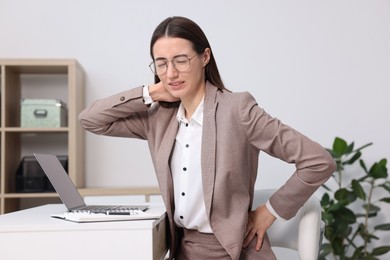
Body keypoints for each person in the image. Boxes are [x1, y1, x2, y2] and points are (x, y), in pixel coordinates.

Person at [79, 16, 336, 260]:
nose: (170, 73)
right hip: (181, 249)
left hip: (233, 251)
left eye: (180, 60)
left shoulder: (238, 109)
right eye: (161, 63)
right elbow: (91, 120)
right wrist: (149, 92)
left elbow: (318, 161)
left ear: (205, 57)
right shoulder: (158, 118)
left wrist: (270, 211)